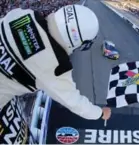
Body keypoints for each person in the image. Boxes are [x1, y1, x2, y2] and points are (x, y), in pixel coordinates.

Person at [0, 5, 111, 142]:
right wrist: (100, 113)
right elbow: (76, 103)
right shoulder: (55, 68)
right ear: (76, 40)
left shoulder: (21, 14)